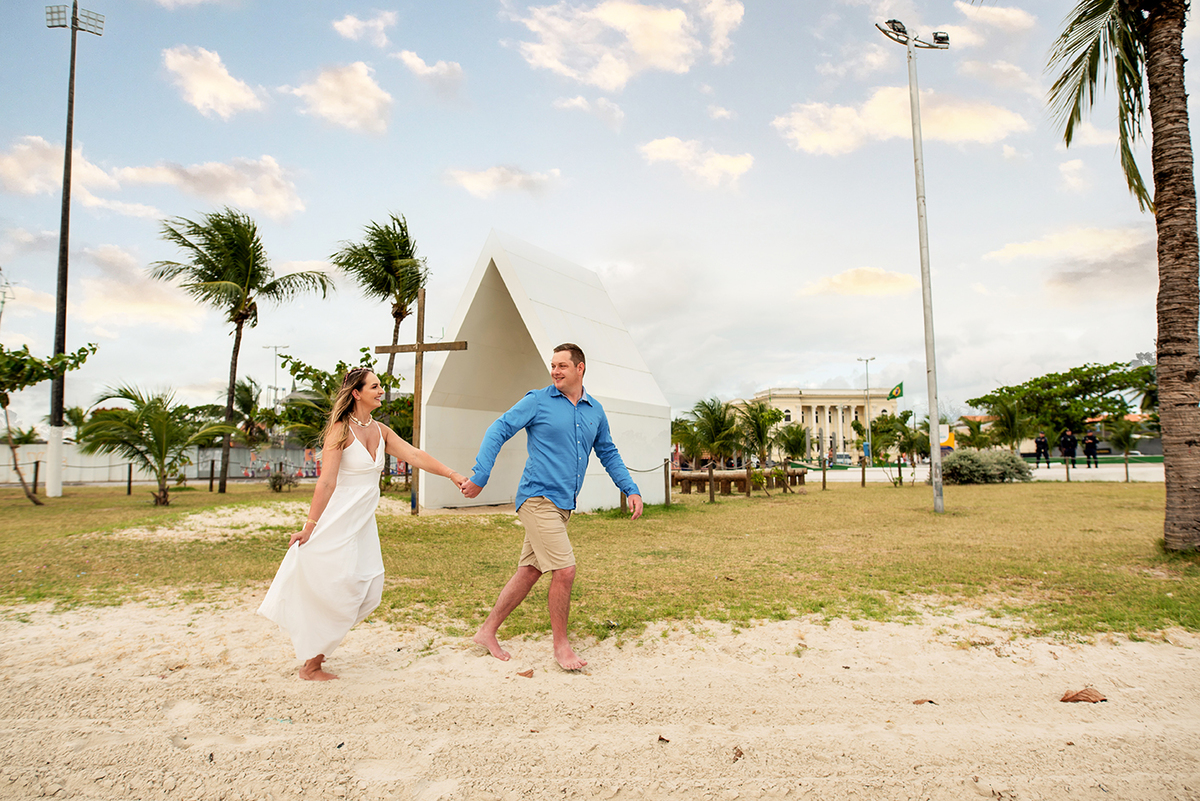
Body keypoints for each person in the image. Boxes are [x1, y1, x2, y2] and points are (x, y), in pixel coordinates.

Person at [258, 367, 467, 681]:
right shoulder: (340, 431)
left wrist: (452, 474)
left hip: (363, 524)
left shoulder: (381, 430)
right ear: (356, 393)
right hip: (337, 521)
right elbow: (326, 483)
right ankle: (311, 665)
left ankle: (316, 653)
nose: (381, 390)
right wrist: (309, 526)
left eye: (380, 386)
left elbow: (414, 454)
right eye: (375, 386)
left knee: (368, 589)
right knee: (336, 589)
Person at [461, 343, 643, 670]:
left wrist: (629, 488)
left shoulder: (594, 411)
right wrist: (481, 474)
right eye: (553, 365)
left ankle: (486, 632)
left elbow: (608, 453)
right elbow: (499, 428)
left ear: (580, 368)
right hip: (536, 498)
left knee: (530, 571)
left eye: (562, 365)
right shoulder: (538, 400)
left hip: (562, 506)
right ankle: (562, 648)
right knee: (565, 569)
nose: (555, 371)